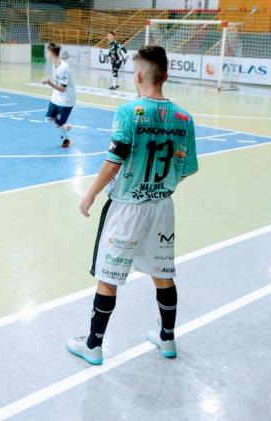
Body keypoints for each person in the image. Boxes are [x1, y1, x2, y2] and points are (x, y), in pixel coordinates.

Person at [67, 45, 198, 365]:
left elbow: (114, 160)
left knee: (108, 277)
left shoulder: (129, 112)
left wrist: (91, 193)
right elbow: (188, 168)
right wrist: (159, 188)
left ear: (138, 75)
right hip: (162, 208)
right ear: (166, 75)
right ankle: (167, 339)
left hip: (126, 208)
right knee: (162, 273)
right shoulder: (184, 118)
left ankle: (93, 345)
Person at [42, 43, 76, 148]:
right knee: (48, 118)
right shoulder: (54, 64)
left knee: (58, 124)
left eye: (47, 52)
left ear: (52, 53)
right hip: (56, 96)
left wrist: (49, 82)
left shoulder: (63, 68)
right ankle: (65, 126)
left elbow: (62, 88)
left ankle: (67, 139)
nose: (46, 54)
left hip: (66, 99)